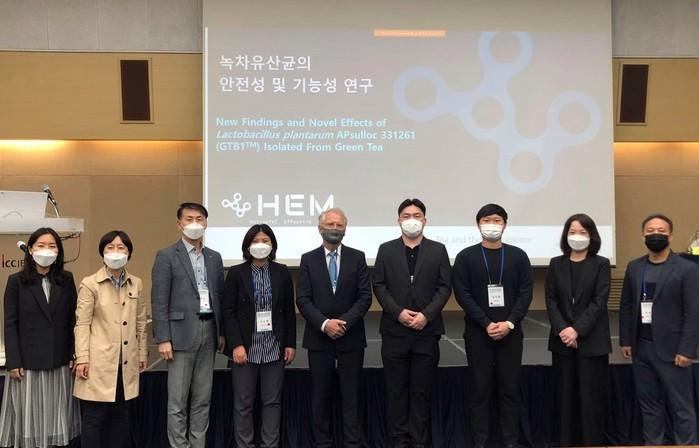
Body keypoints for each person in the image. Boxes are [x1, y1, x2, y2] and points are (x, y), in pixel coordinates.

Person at [373, 198, 452, 448]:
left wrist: (426, 315)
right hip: (394, 331)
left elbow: (444, 286)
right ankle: (398, 439)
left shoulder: (438, 250)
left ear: (425, 220)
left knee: (421, 390)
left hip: (426, 331)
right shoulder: (386, 250)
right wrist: (397, 312)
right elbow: (379, 285)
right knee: (395, 390)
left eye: (417, 216)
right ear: (398, 220)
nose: (412, 220)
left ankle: (419, 440)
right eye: (406, 216)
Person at [452, 203, 533, 448]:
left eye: (496, 220)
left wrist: (509, 323)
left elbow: (525, 293)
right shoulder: (466, 257)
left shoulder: (518, 256)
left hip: (511, 333)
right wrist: (486, 322)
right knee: (480, 391)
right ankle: (480, 442)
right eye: (486, 220)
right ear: (478, 225)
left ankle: (511, 441)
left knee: (510, 390)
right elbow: (463, 294)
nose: (491, 225)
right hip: (478, 333)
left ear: (505, 225)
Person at [619, 213, 699, 445]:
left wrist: (687, 349)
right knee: (649, 406)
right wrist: (626, 340)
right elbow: (626, 305)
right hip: (641, 348)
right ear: (642, 235)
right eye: (650, 231)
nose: (656, 235)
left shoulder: (687, 269)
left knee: (681, 407)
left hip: (674, 351)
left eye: (661, 231)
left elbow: (693, 313)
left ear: (670, 236)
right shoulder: (635, 267)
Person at [151, 202, 225, 448]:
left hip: (209, 331)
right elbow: (159, 299)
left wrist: (222, 333)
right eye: (189, 219)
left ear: (206, 223)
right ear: (179, 224)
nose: (195, 223)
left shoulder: (214, 257)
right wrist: (163, 338)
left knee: (203, 400)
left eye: (199, 219)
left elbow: (219, 296)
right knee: (178, 402)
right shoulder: (166, 256)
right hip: (179, 335)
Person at [296, 208, 372, 448]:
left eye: (339, 225)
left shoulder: (358, 257)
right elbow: (303, 299)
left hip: (351, 338)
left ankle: (352, 443)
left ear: (345, 228)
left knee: (352, 396)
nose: (335, 229)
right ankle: (322, 443)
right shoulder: (308, 259)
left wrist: (343, 323)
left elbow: (365, 297)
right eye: (330, 224)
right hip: (319, 338)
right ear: (320, 228)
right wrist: (325, 324)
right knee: (320, 396)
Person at [0, 227, 80, 447]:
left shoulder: (66, 279)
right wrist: (13, 361)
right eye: (41, 245)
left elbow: (74, 320)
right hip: (28, 364)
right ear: (30, 250)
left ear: (59, 251)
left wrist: (74, 353)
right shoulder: (16, 281)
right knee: (30, 421)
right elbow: (10, 324)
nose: (47, 250)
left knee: (55, 419)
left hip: (59, 360)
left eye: (52, 246)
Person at [222, 224, 296, 448]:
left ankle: (269, 444)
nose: (260, 245)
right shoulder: (236, 273)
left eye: (265, 241)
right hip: (245, 348)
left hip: (274, 346)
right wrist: (236, 344)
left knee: (272, 402)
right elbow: (228, 312)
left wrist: (290, 343)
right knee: (243, 404)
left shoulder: (282, 272)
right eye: (255, 241)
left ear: (272, 245)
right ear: (247, 246)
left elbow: (288, 310)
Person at [73, 230, 147, 448]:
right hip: (98, 363)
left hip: (126, 363)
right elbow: (82, 324)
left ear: (129, 253)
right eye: (110, 248)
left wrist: (142, 353)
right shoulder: (90, 283)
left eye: (121, 248)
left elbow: (141, 322)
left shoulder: (136, 283)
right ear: (102, 252)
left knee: (121, 419)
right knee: (94, 419)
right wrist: (82, 358)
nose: (116, 252)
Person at [545, 214, 611, 447]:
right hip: (562, 343)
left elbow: (599, 301)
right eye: (573, 232)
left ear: (592, 236)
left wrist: (577, 330)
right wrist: (564, 330)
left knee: (591, 401)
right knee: (564, 400)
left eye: (583, 232)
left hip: (592, 343)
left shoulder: (601, 264)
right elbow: (551, 300)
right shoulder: (556, 263)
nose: (577, 236)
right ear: (566, 235)